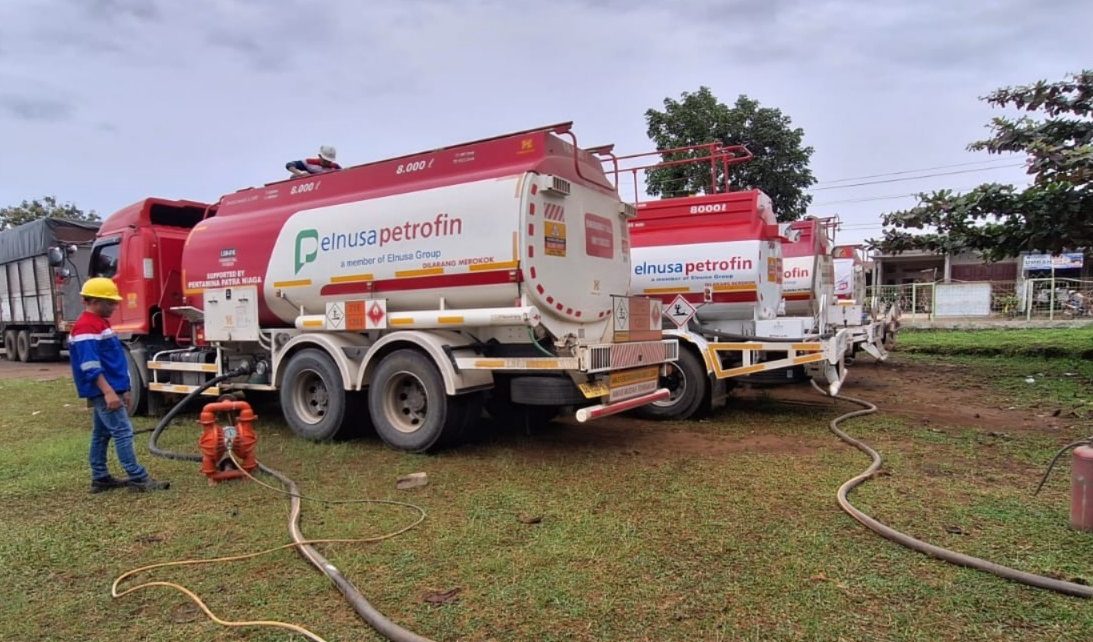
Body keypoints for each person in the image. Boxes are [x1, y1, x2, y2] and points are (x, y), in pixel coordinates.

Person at [69, 277, 169, 493]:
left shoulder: (99, 323)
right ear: (94, 301)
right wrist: (108, 392)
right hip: (104, 390)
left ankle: (100, 477)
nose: (115, 307)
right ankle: (138, 478)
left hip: (112, 388)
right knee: (123, 431)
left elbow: (112, 360)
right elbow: (90, 365)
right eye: (110, 302)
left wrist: (124, 389)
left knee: (101, 433)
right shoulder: (86, 326)